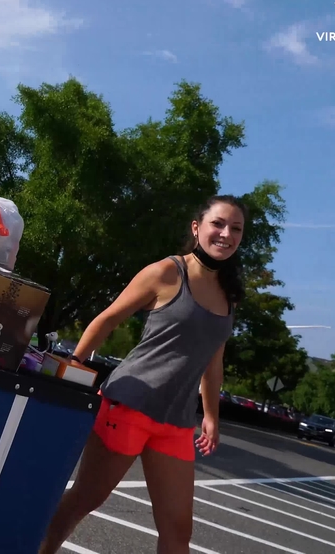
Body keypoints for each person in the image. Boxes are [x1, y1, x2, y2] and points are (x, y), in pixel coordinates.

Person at [38, 195, 247, 554]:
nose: (226, 233)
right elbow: (106, 320)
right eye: (218, 224)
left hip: (176, 423)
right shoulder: (167, 272)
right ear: (197, 228)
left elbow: (213, 362)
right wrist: (72, 367)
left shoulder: (228, 296)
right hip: (129, 405)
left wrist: (211, 416)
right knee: (84, 501)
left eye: (236, 228)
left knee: (178, 531)